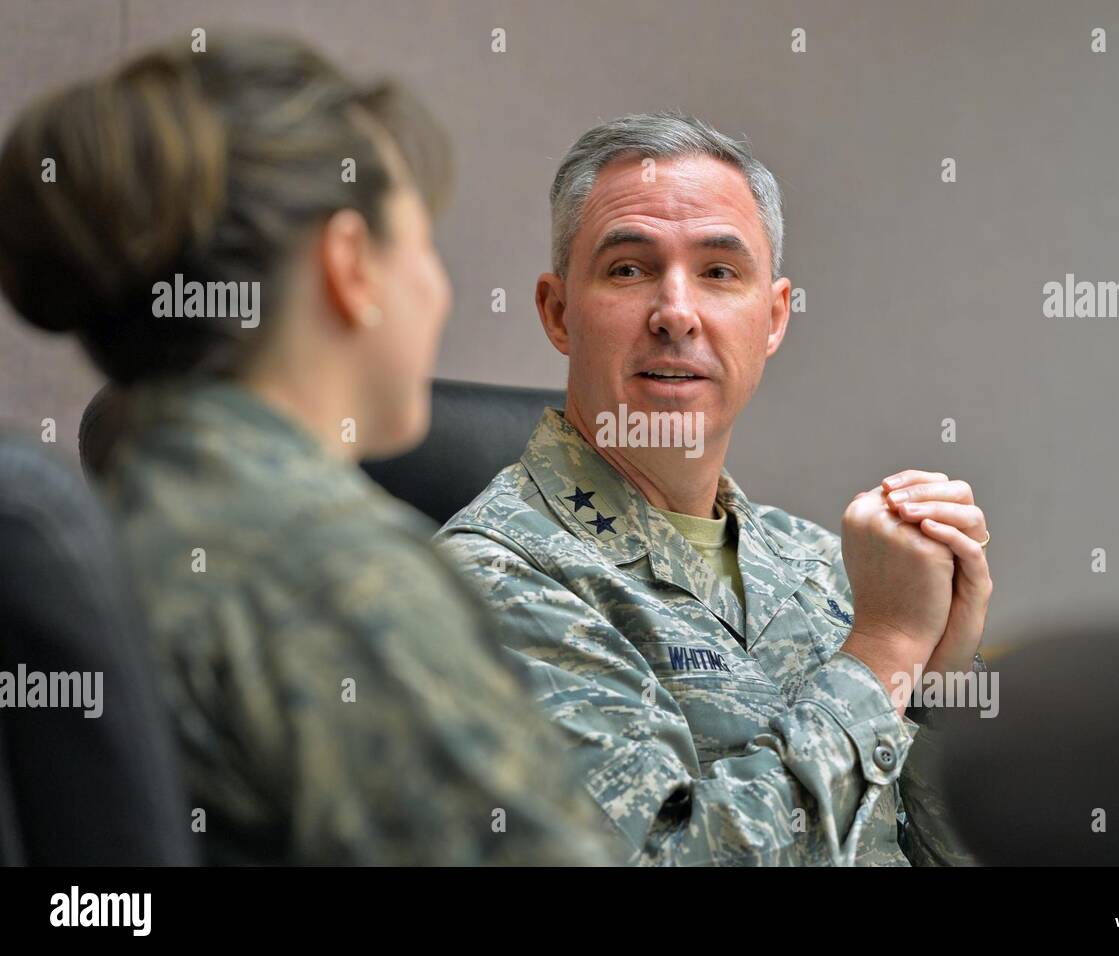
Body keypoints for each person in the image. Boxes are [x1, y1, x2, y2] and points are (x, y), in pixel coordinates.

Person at [0, 33, 614, 865]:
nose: (438, 289)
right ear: (350, 265)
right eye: (422, 241)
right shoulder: (340, 579)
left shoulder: (125, 519)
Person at [436, 112, 994, 865]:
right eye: (629, 268)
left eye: (719, 272)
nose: (676, 313)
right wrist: (884, 652)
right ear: (558, 312)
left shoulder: (832, 567)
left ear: (773, 317)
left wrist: (937, 690)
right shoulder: (486, 582)